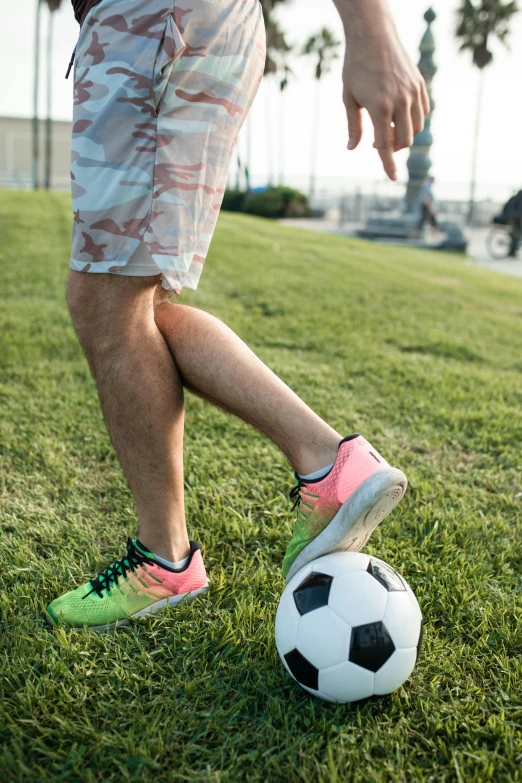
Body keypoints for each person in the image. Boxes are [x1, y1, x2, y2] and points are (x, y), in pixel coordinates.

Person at [46, 0, 430, 629]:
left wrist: (369, 26)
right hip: (169, 24)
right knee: (132, 303)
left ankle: (169, 561)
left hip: (152, 22)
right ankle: (330, 465)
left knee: (106, 301)